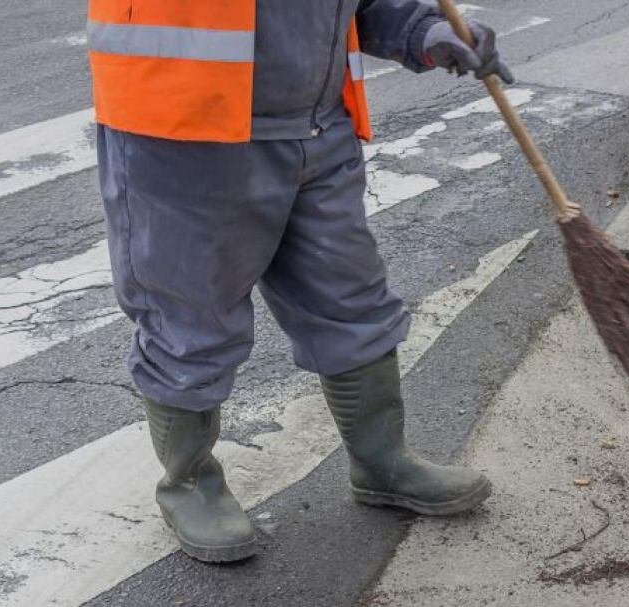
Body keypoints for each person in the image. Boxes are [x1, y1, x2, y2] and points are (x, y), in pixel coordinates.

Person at [87, 0, 513, 562]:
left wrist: (426, 31)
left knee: (351, 299)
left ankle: (382, 462)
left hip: (317, 129)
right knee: (190, 321)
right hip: (185, 133)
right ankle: (188, 483)